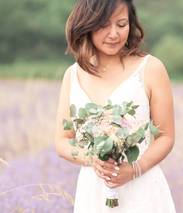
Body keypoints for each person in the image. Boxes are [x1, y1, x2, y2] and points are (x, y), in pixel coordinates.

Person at [54, 0, 176, 212]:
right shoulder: (72, 75)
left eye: (121, 25)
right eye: (104, 25)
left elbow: (165, 136)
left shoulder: (151, 68)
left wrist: (135, 169)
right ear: (87, 25)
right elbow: (62, 140)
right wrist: (91, 159)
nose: (114, 34)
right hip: (93, 191)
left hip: (143, 189)